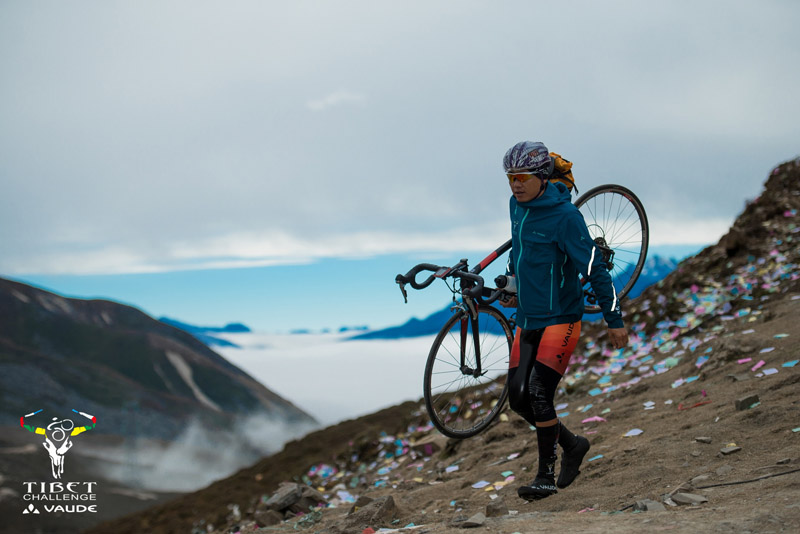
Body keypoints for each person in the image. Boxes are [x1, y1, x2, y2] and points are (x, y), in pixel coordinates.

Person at [498, 141, 629, 501]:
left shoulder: (566, 217)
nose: (515, 184)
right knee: (518, 400)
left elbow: (594, 269)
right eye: (510, 177)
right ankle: (574, 445)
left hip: (561, 317)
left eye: (522, 177)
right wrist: (514, 286)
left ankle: (545, 476)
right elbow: (521, 250)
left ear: (541, 176)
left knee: (539, 393)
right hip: (527, 316)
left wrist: (613, 318)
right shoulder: (516, 206)